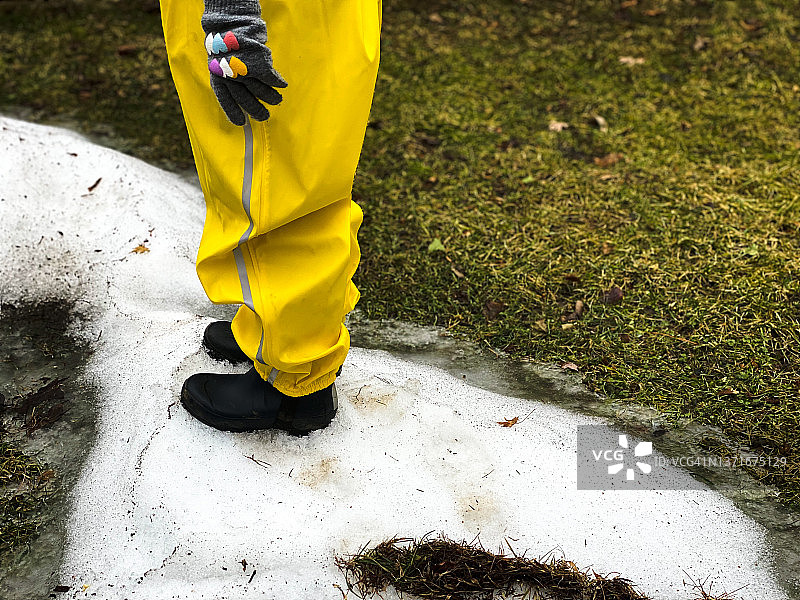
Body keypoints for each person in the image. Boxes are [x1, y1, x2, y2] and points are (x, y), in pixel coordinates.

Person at [159, 0, 382, 433]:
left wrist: (233, 14)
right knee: (303, 175)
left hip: (263, 17)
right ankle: (277, 333)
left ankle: (293, 382)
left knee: (271, 185)